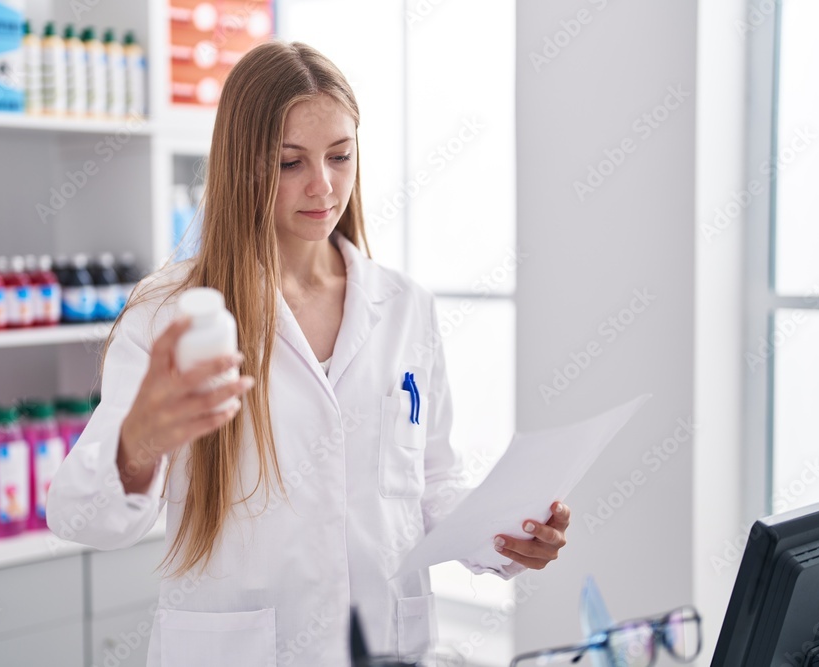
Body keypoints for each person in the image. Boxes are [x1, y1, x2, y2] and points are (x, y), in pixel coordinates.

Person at [46, 40, 570, 667]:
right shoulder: (170, 313)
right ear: (243, 164)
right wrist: (140, 443)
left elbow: (432, 480)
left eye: (340, 156)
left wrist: (504, 538)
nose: (323, 186)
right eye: (290, 162)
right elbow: (79, 515)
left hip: (386, 645)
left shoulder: (404, 306)